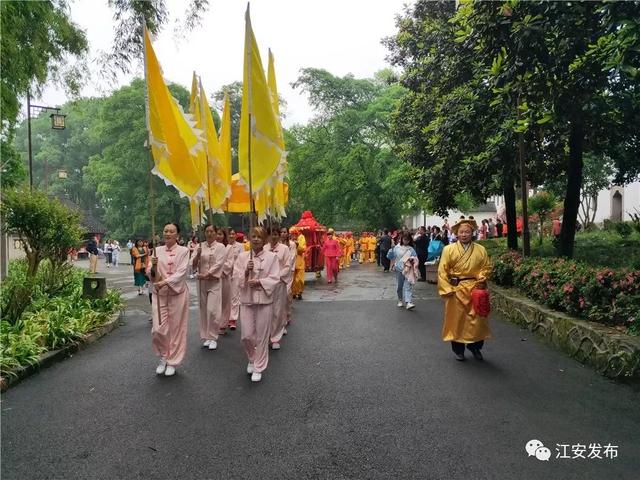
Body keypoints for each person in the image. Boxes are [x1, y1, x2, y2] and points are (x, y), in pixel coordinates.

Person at [437, 218, 492, 361]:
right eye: (461, 232)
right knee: (457, 321)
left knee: (477, 321)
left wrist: (482, 277)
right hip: (456, 289)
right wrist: (447, 288)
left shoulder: (481, 250)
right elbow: (442, 271)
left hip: (475, 289)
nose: (464, 234)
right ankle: (458, 350)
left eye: (467, 231)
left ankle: (475, 348)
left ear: (472, 233)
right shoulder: (448, 250)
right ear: (456, 233)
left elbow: (486, 267)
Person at [233, 226, 280, 382]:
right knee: (246, 335)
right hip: (247, 300)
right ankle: (252, 358)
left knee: (261, 336)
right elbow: (236, 279)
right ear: (249, 238)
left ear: (265, 239)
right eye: (253, 236)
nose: (256, 239)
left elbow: (275, 278)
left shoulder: (272, 257)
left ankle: (259, 366)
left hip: (264, 301)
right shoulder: (242, 257)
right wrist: (246, 271)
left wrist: (260, 282)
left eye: (259, 237)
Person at [148, 223, 190, 377]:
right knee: (158, 329)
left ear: (177, 235)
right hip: (159, 295)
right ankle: (163, 356)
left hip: (177, 294)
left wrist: (165, 282)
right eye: (166, 230)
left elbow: (181, 272)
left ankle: (173, 361)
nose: (168, 233)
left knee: (176, 329)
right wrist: (153, 268)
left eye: (172, 231)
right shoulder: (156, 251)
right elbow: (150, 272)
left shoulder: (184, 251)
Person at [192, 224, 228, 351]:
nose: (209, 233)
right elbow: (193, 264)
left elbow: (219, 263)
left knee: (212, 310)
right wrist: (197, 255)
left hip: (214, 281)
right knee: (203, 309)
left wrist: (208, 274)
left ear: (215, 232)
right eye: (207, 231)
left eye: (212, 231)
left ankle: (213, 337)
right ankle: (207, 336)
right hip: (202, 282)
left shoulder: (221, 247)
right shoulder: (199, 246)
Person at [264, 227, 292, 350]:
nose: (273, 236)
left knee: (278, 310)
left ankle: (275, 337)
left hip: (280, 283)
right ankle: (266, 334)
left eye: (276, 234)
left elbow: (287, 266)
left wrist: (278, 276)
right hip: (267, 284)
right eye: (271, 234)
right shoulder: (264, 248)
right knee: (267, 310)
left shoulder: (285, 249)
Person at [387, 232, 419, 310]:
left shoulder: (411, 249)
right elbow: (390, 257)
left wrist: (413, 260)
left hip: (408, 270)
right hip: (398, 269)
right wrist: (391, 251)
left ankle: (408, 302)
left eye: (408, 240)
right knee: (399, 286)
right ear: (402, 239)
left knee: (408, 286)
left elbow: (416, 258)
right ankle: (400, 300)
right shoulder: (396, 248)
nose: (406, 241)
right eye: (405, 239)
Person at [226, 228, 244, 330]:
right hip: (225, 274)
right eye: (230, 234)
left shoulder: (240, 246)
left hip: (236, 273)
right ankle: (225, 317)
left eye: (233, 234)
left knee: (234, 297)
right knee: (226, 296)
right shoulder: (224, 246)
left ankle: (233, 319)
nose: (232, 236)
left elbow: (242, 260)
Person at [290, 228, 307, 300]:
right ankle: (293, 292)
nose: (293, 236)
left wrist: (297, 245)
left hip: (299, 262)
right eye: (292, 234)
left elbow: (303, 249)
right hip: (291, 263)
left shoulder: (301, 239)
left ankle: (299, 292)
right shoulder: (288, 241)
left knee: (300, 279)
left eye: (295, 234)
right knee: (292, 279)